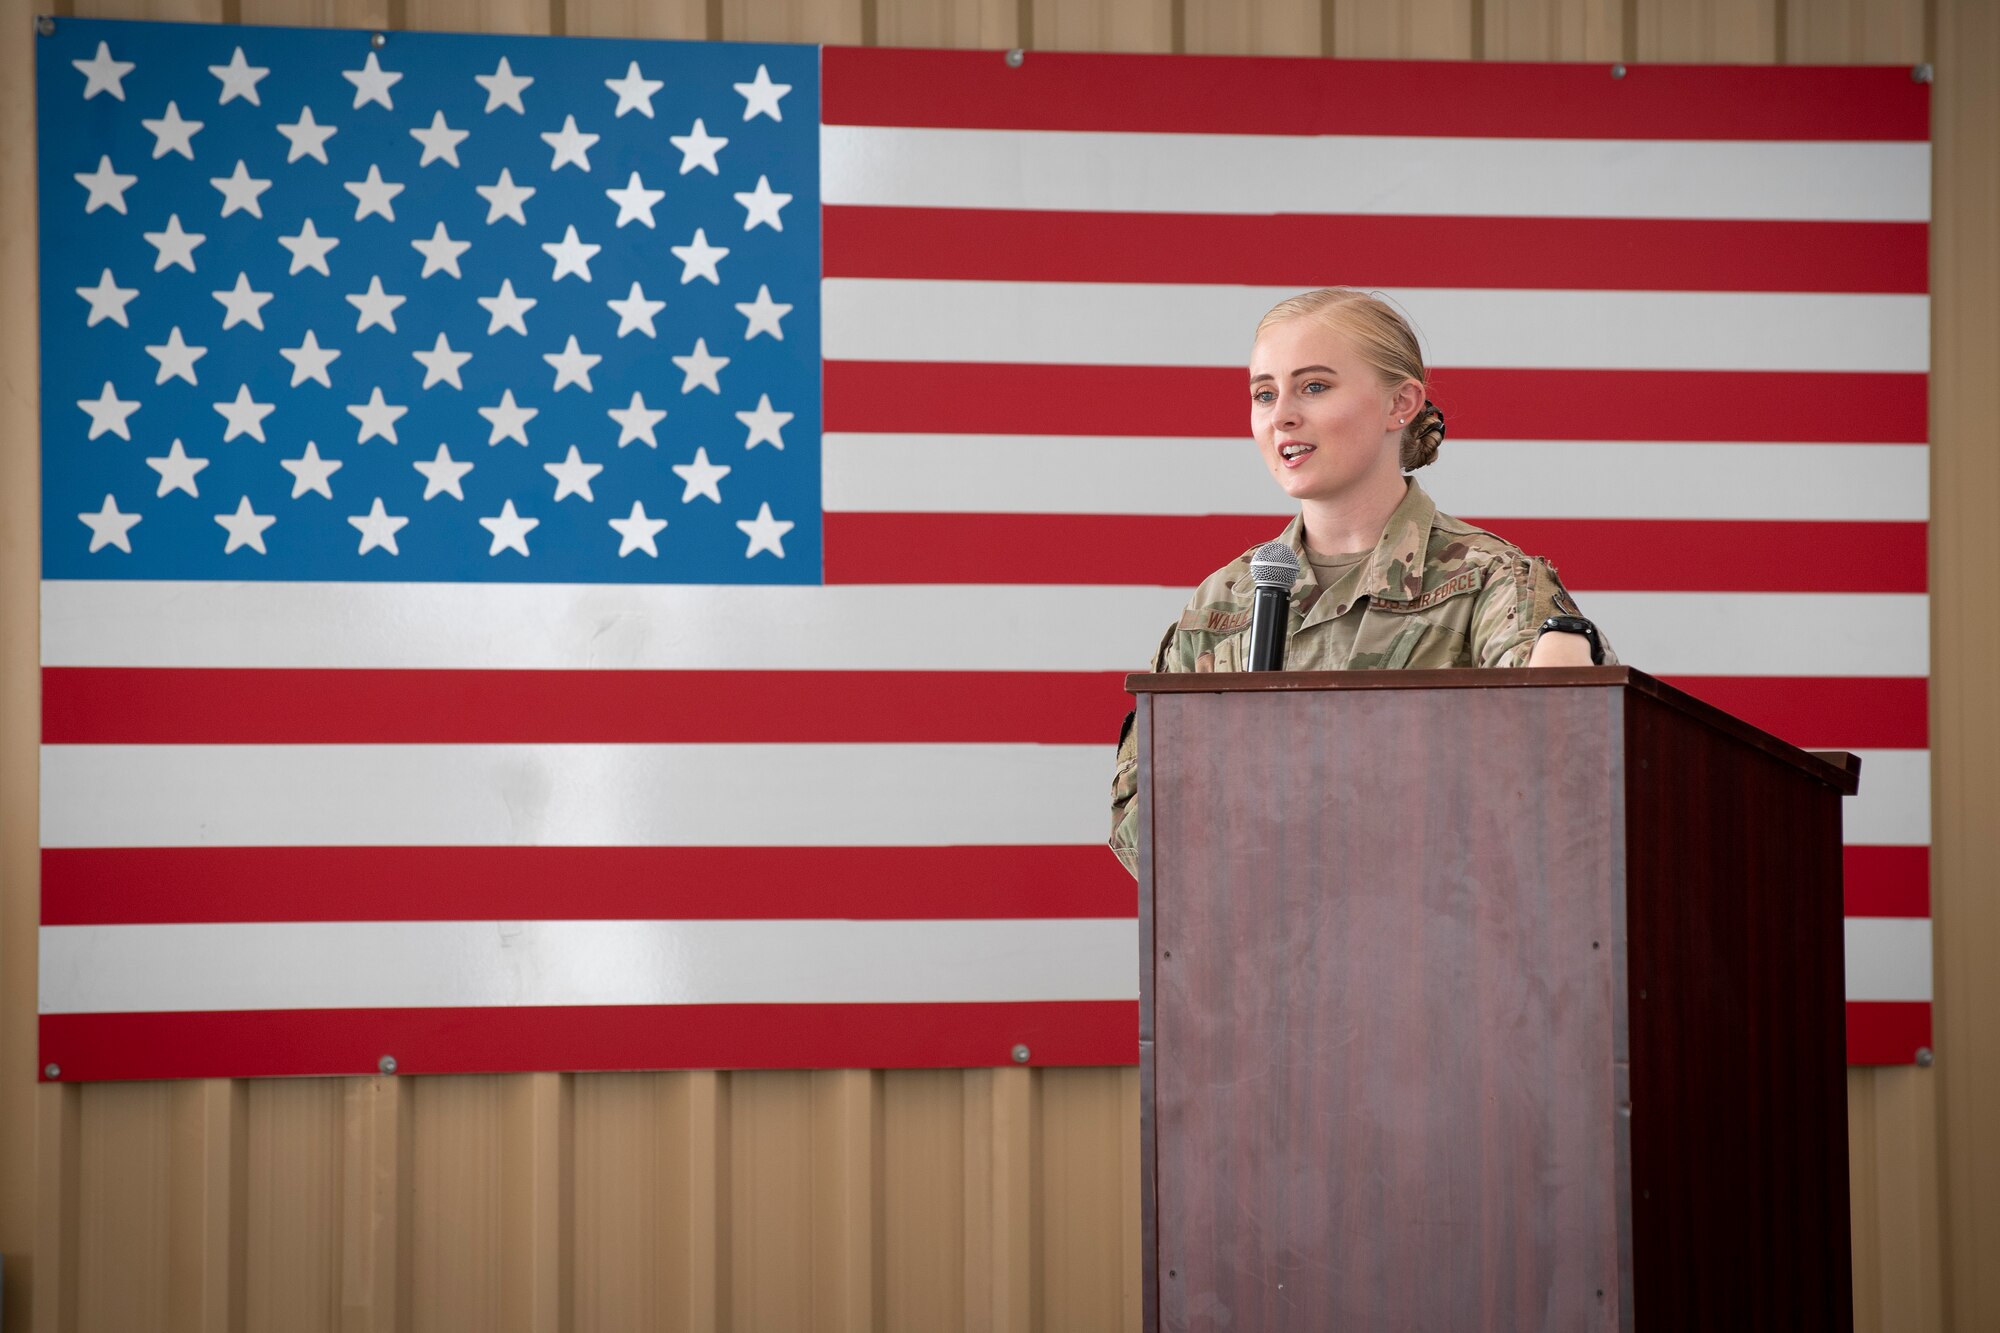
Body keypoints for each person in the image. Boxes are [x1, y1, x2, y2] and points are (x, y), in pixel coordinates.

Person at [1108, 288, 1615, 876]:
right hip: (1250, 947)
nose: (1282, 415)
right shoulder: (1224, 601)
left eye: (1314, 387)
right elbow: (1142, 825)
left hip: (1440, 942)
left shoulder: (1491, 582)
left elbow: (1550, 781)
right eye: (1264, 394)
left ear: (1401, 403)